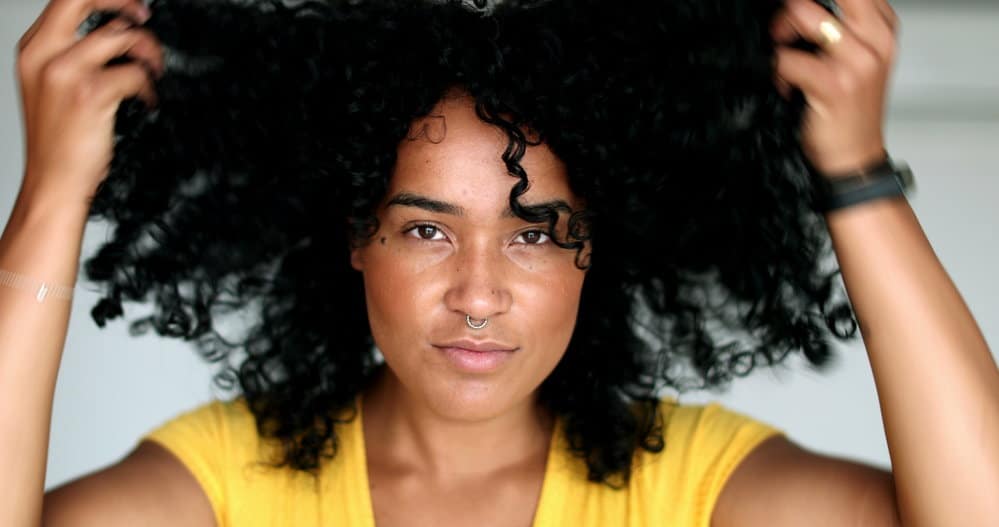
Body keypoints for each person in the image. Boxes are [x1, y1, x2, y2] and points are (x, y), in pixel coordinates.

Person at [1, 0, 997, 526]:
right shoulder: (223, 484)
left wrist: (857, 174)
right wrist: (51, 195)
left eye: (535, 231)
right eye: (426, 227)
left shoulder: (694, 484)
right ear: (354, 238)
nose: (478, 293)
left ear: (593, 247)